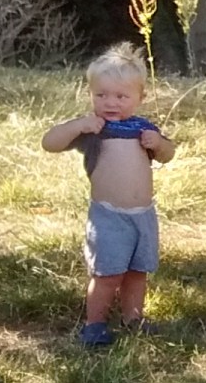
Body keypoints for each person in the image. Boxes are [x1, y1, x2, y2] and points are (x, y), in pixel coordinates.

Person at [42, 43, 177, 347]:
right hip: (109, 216)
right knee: (106, 274)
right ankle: (95, 324)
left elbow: (168, 154)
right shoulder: (93, 129)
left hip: (143, 215)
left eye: (120, 96)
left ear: (139, 98)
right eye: (101, 95)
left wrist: (158, 143)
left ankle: (133, 318)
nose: (110, 102)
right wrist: (78, 124)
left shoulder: (143, 127)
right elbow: (49, 142)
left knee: (137, 272)